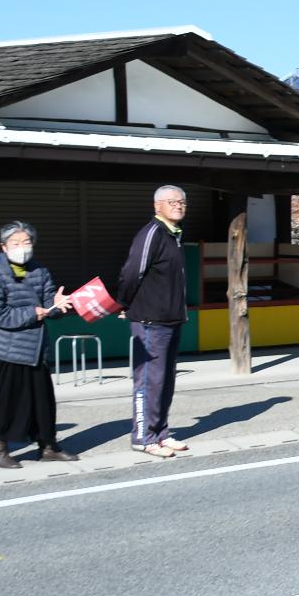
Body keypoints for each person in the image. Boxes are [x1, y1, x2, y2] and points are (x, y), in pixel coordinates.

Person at [0, 222, 77, 467]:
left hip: (35, 349)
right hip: (5, 350)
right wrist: (34, 313)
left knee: (42, 402)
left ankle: (48, 446)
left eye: (27, 242)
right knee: (2, 403)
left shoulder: (39, 269)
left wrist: (57, 305)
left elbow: (48, 304)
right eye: (16, 243)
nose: (22, 248)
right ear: (3, 246)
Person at [117, 184, 190, 458]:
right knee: (148, 379)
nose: (178, 205)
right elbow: (131, 272)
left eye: (182, 202)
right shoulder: (152, 233)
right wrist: (123, 302)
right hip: (150, 319)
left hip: (172, 318)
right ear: (157, 206)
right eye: (172, 202)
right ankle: (143, 436)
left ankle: (160, 432)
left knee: (165, 380)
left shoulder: (176, 235)